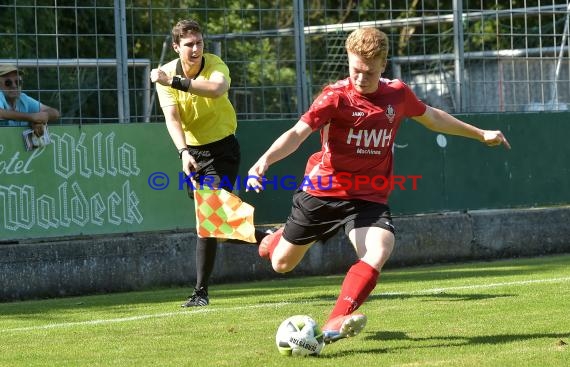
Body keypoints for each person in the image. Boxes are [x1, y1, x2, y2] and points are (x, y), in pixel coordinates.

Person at [246, 27, 511, 344]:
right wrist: (265, 160)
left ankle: (335, 321)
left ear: (383, 65)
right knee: (282, 264)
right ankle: (278, 239)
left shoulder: (397, 94)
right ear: (348, 61)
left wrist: (480, 134)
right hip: (322, 191)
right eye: (355, 69)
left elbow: (433, 117)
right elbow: (297, 133)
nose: (360, 78)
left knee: (380, 248)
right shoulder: (334, 96)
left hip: (369, 195)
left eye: (369, 72)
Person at [150, 19, 269, 308]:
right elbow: (172, 117)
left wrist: (175, 81)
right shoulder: (165, 73)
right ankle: (270, 238)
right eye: (188, 44)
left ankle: (200, 293)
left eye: (199, 43)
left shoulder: (215, 64)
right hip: (193, 153)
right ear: (177, 47)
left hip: (222, 150)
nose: (195, 49)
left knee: (207, 223)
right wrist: (182, 152)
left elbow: (216, 89)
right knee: (219, 229)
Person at [0, 65, 60, 136]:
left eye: (18, 82)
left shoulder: (23, 98)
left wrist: (38, 121)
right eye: (8, 83)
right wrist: (31, 117)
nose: (14, 86)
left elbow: (55, 112)